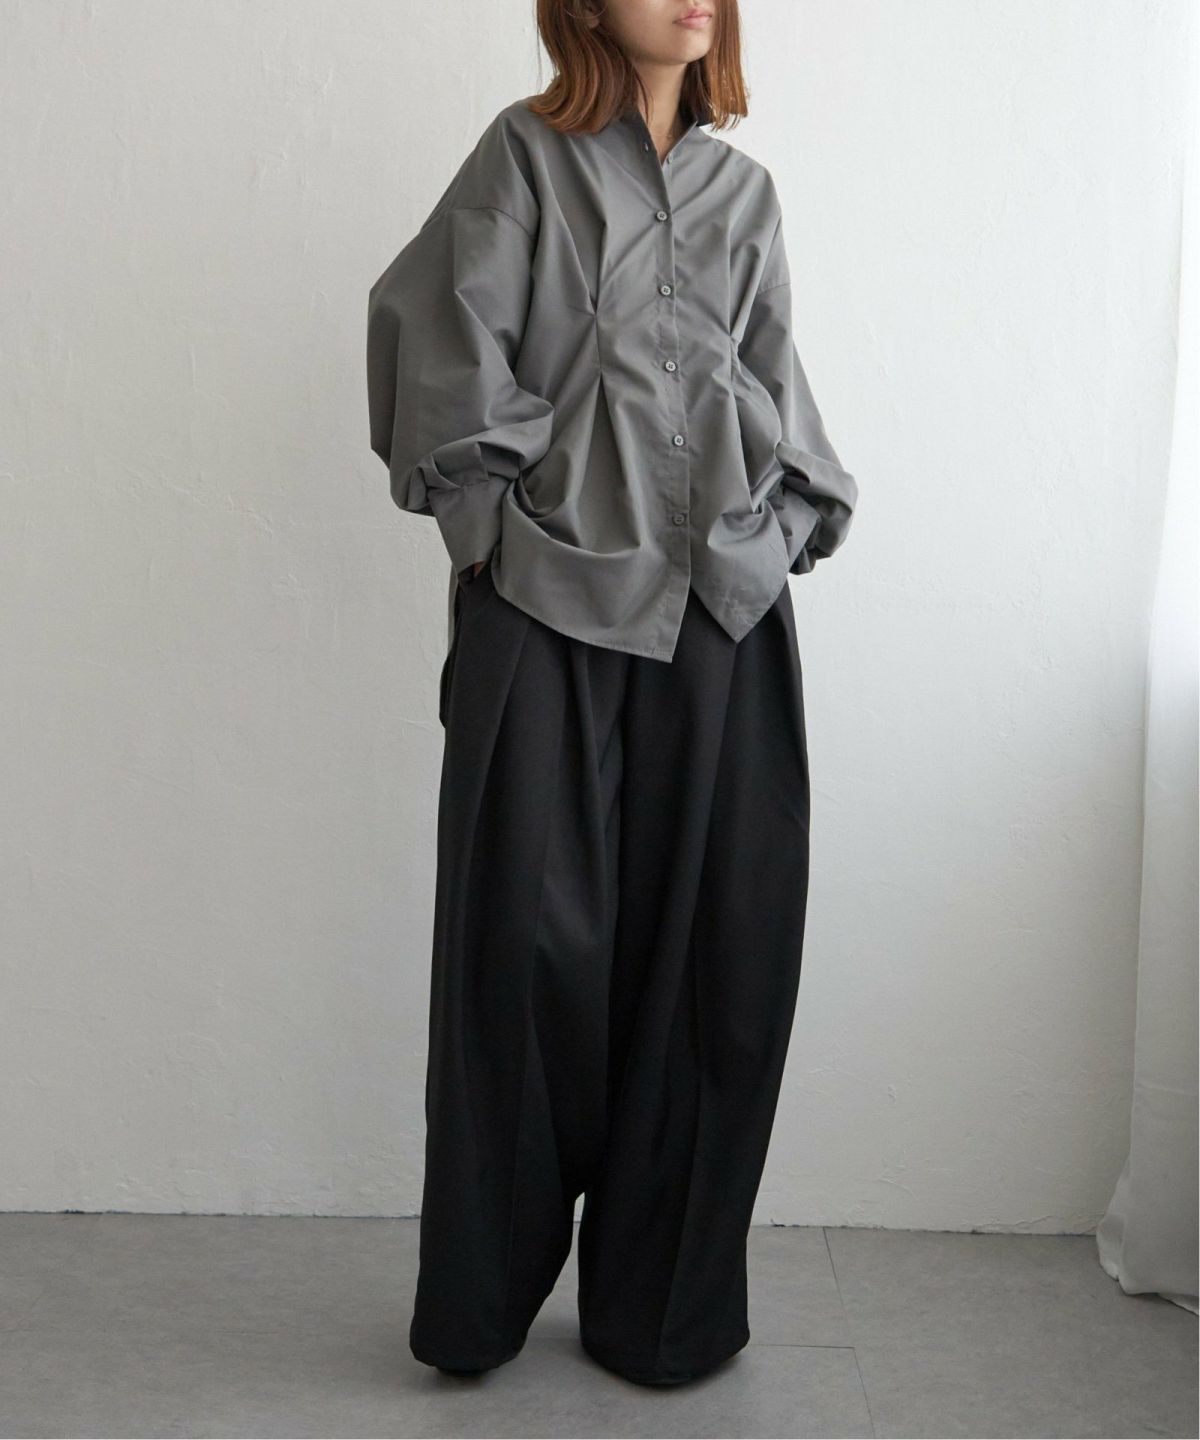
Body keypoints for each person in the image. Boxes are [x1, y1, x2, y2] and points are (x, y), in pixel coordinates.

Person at [365, 0, 858, 1388]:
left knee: (720, 965)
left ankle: (663, 1314)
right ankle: (482, 1304)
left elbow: (774, 383)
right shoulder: (523, 158)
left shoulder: (745, 193)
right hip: (549, 606)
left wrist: (777, 527)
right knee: (522, 964)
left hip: (722, 619)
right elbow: (438, 343)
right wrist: (498, 540)